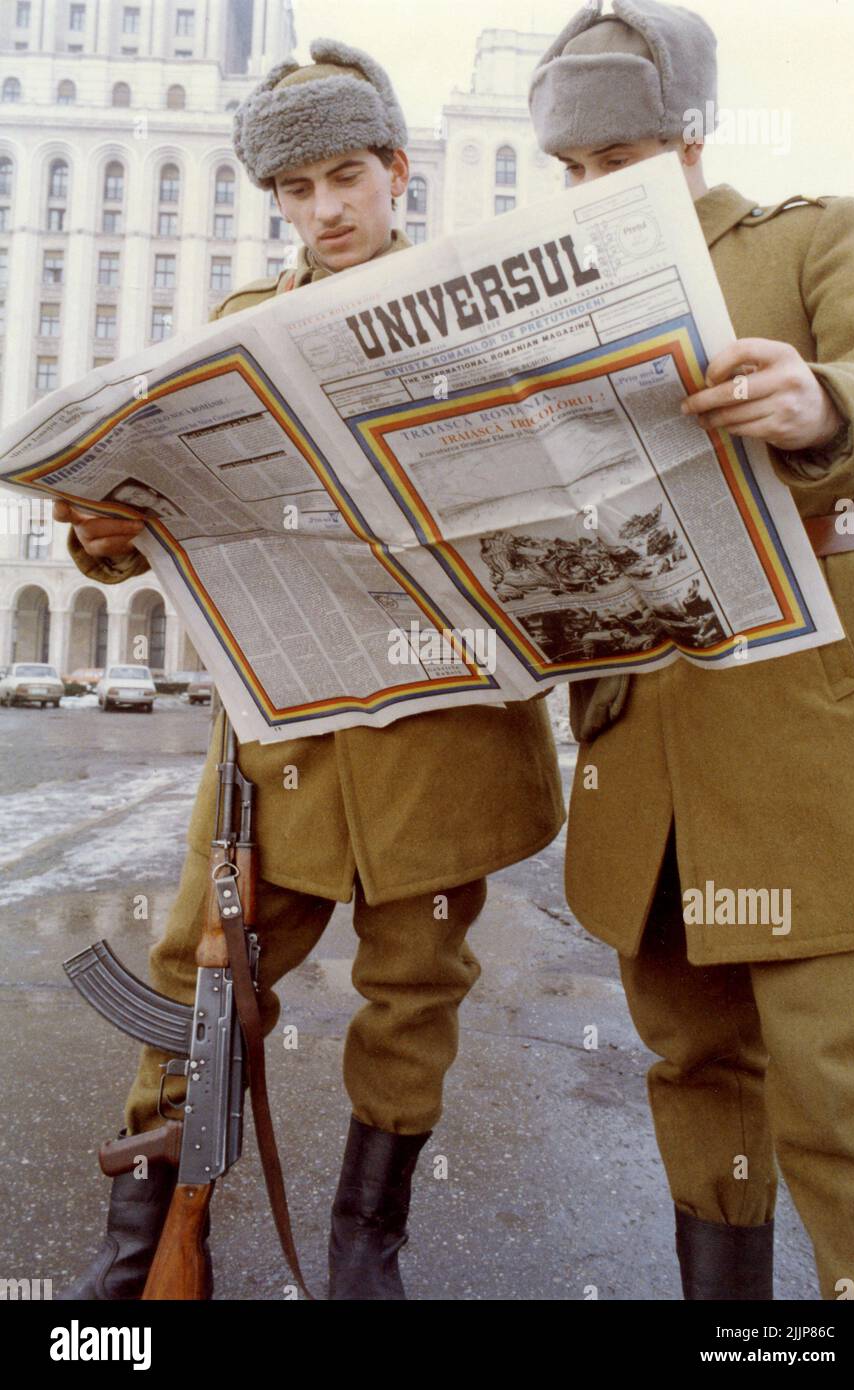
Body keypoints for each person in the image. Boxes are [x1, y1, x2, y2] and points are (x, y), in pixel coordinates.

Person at [55, 39, 565, 1302]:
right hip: (276, 754)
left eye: (347, 174)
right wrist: (104, 532)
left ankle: (363, 1256)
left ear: (398, 170)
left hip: (440, 737)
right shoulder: (238, 332)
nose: (326, 209)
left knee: (412, 996)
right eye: (296, 189)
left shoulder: (481, 316)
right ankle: (137, 1263)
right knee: (193, 982)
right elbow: (167, 520)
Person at [528, 0, 854, 1299]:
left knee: (843, 1103)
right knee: (692, 1070)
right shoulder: (555, 296)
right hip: (647, 764)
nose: (586, 194)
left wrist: (823, 401)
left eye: (613, 165)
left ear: (687, 139)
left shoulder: (809, 235)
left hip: (804, 756)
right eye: (567, 172)